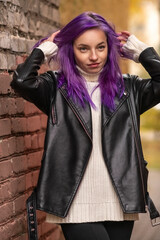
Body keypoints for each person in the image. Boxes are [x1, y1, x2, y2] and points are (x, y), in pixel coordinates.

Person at [11, 12, 160, 240]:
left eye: (101, 47)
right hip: (73, 202)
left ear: (110, 49)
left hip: (120, 201)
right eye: (83, 48)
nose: (94, 56)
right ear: (71, 50)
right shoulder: (56, 88)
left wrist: (144, 53)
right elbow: (22, 81)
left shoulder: (129, 89)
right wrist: (44, 50)